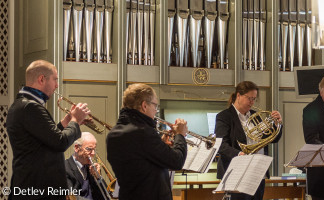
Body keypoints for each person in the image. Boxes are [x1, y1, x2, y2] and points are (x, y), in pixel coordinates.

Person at [7, 60, 90, 200]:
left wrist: (66, 122)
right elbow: (60, 142)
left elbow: (45, 141)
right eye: (55, 80)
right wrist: (75, 121)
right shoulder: (30, 107)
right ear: (41, 79)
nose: (57, 85)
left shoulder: (22, 104)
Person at [106, 83, 188, 200]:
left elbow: (140, 162)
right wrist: (180, 135)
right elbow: (176, 161)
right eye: (155, 106)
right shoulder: (143, 132)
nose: (156, 111)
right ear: (144, 106)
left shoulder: (113, 133)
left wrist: (161, 145)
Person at [215, 81, 283, 200]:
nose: (252, 102)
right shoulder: (224, 116)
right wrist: (239, 154)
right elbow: (221, 145)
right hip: (237, 172)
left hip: (257, 172)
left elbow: (271, 138)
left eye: (254, 99)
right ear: (238, 96)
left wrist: (277, 125)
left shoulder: (255, 115)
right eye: (249, 98)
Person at [65, 132, 108, 200]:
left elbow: (106, 196)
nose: (93, 153)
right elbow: (70, 197)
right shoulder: (65, 168)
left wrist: (98, 178)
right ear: (77, 148)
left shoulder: (90, 168)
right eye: (89, 149)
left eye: (94, 149)